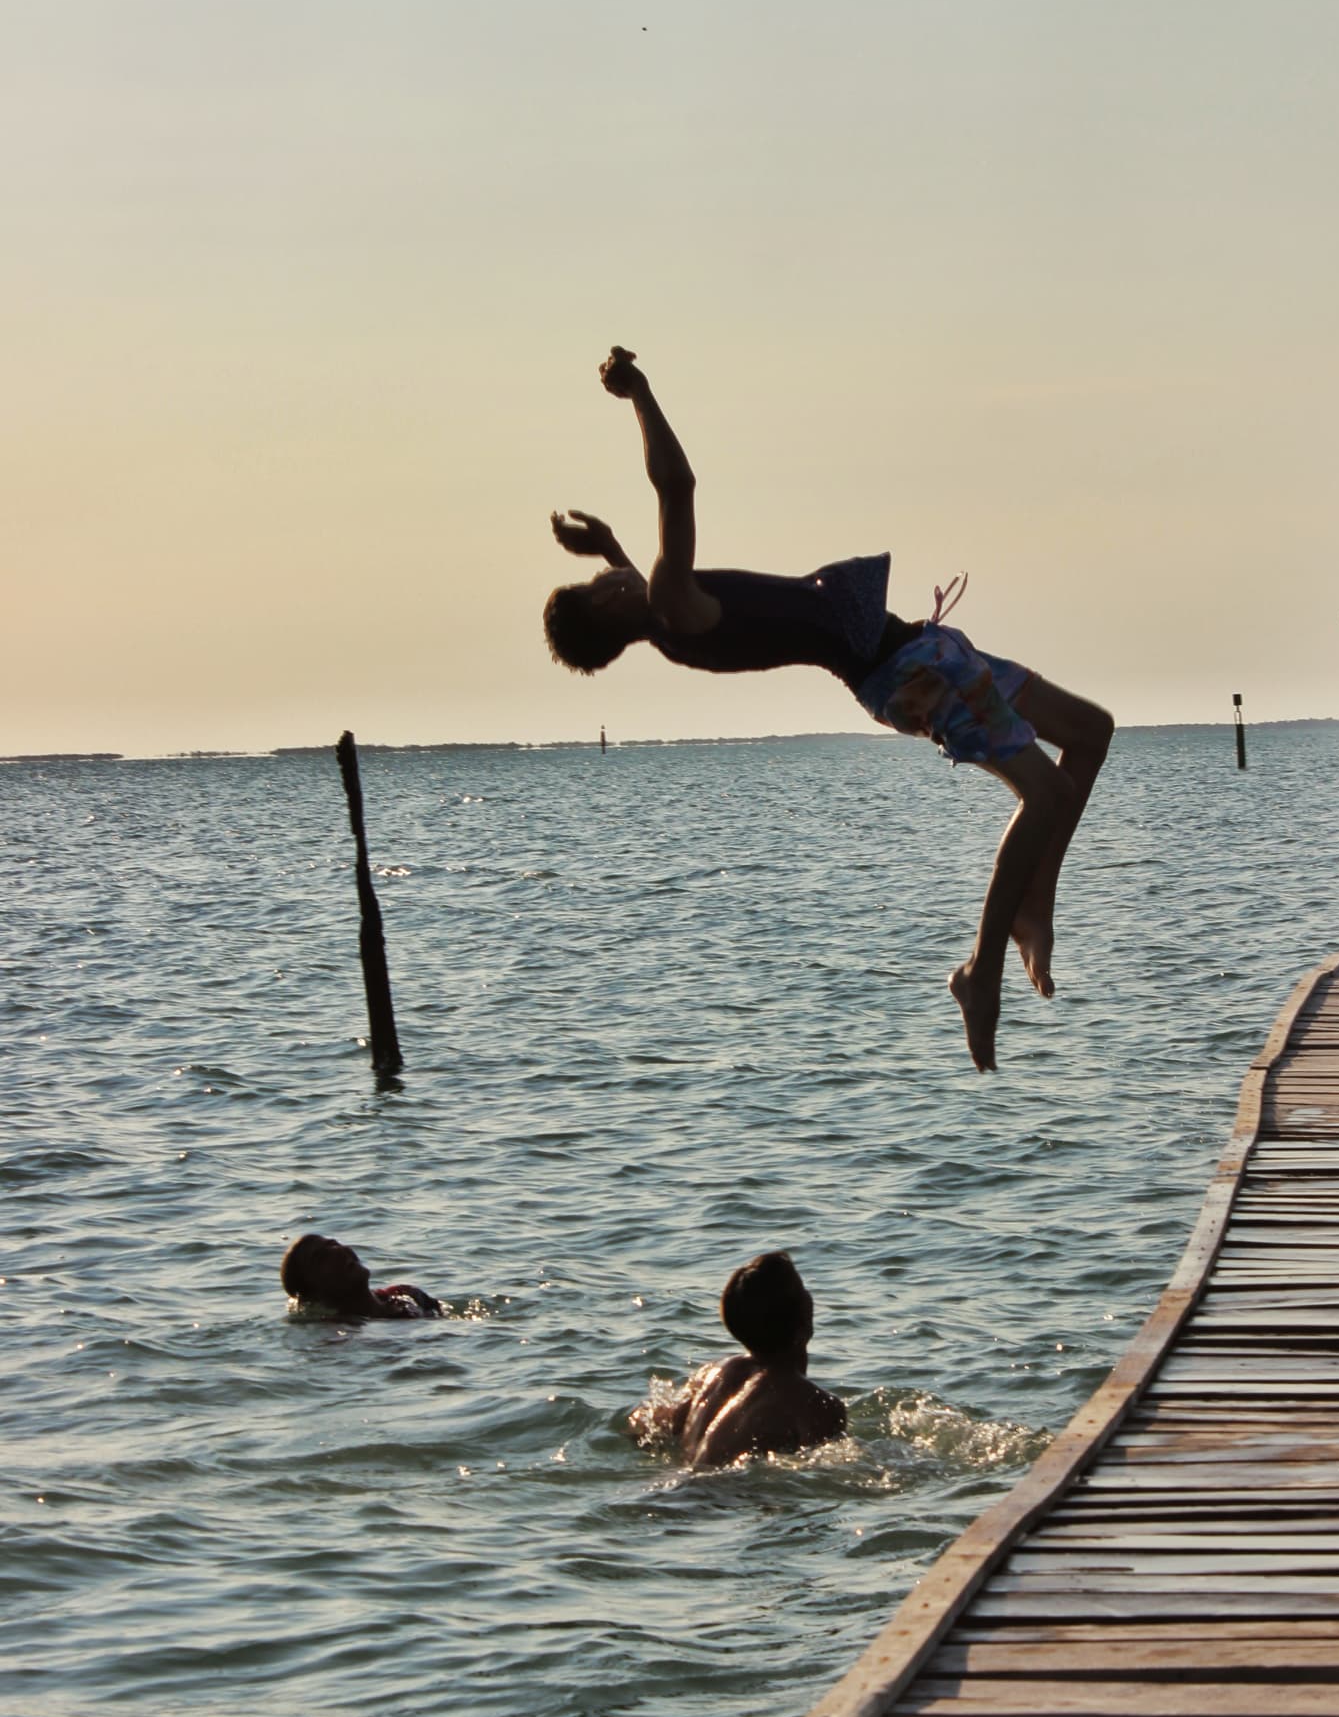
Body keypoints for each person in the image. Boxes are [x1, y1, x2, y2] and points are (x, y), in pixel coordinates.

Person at [544, 347, 1114, 1070]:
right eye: (602, 578)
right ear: (603, 603)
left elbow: (633, 574)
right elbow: (677, 486)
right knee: (1045, 793)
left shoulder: (659, 618)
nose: (611, 573)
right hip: (909, 672)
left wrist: (604, 543)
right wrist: (640, 394)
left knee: (1090, 733)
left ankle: (1034, 905)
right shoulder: (669, 604)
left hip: (921, 650)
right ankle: (980, 975)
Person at [629, 1252, 846, 1469]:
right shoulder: (814, 1403)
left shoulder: (713, 1374)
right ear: (805, 1312)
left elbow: (643, 1426)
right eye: (804, 1291)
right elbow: (830, 1471)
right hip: (721, 1494)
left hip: (674, 1488)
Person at [281, 1233, 443, 1319]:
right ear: (313, 1293)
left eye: (334, 1244)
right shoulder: (342, 1329)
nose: (338, 1251)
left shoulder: (406, 1294)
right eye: (321, 1257)